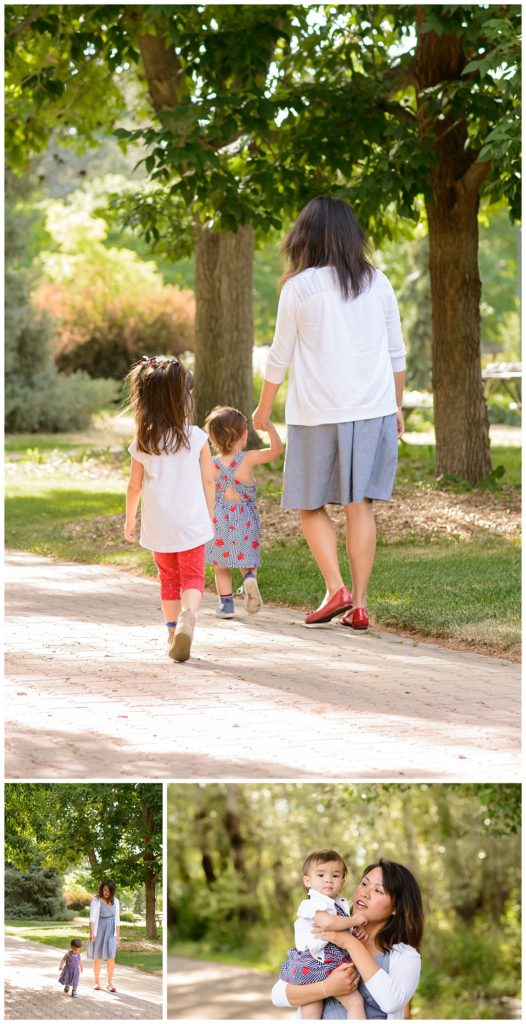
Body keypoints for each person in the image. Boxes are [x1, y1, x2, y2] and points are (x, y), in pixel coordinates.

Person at [253, 196, 406, 631]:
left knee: (308, 503)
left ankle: (335, 587)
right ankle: (358, 605)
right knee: (360, 506)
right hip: (374, 409)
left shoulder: (299, 288)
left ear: (305, 236)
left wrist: (263, 411)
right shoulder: (379, 282)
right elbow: (397, 354)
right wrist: (396, 407)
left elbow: (278, 357)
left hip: (317, 412)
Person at [124, 355, 215, 662]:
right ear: (182, 398)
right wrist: (210, 515)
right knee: (192, 577)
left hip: (159, 524)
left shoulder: (143, 442)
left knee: (168, 580)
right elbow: (209, 481)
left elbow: (134, 487)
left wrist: (129, 520)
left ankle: (169, 631)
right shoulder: (197, 437)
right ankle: (188, 617)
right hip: (191, 523)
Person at [272, 859, 423, 1020]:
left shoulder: (405, 955)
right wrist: (328, 988)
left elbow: (391, 1002)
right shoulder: (330, 936)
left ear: (396, 907)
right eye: (364, 884)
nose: (365, 893)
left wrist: (350, 943)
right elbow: (278, 995)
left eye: (378, 891)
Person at [204, 406, 283, 617]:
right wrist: (271, 429)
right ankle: (249, 578)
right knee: (247, 558)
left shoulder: (211, 464)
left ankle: (226, 605)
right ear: (244, 436)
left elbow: (205, 488)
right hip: (245, 519)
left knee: (221, 565)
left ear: (213, 439)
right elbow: (276, 451)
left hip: (218, 520)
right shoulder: (248, 459)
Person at [279, 850, 368, 1020]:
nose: (328, 879)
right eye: (321, 875)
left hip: (327, 963)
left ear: (342, 882)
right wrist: (355, 920)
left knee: (312, 1011)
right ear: (307, 880)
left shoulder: (339, 904)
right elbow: (328, 923)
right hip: (316, 962)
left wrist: (354, 931)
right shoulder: (310, 904)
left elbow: (340, 931)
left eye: (335, 876)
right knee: (354, 1003)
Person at [88, 878, 121, 994]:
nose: (106, 893)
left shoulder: (116, 901)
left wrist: (118, 935)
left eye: (108, 891)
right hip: (99, 931)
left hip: (111, 932)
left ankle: (110, 983)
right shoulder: (96, 901)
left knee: (111, 957)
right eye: (104, 890)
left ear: (112, 892)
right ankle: (97, 982)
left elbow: (117, 920)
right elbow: (92, 919)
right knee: (98, 957)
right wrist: (92, 933)